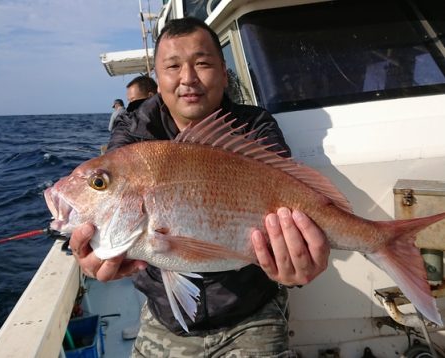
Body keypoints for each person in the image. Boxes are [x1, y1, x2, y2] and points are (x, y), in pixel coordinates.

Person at [70, 17, 330, 357]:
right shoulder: (134, 132)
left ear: (224, 72)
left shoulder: (254, 126)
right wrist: (94, 252)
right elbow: (111, 191)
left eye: (203, 63)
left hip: (252, 312)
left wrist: (295, 268)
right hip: (165, 317)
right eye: (173, 66)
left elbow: (287, 195)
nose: (188, 78)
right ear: (158, 79)